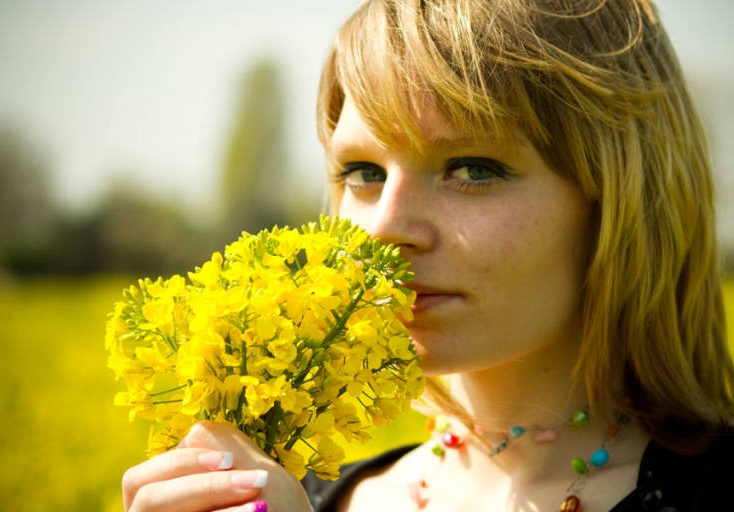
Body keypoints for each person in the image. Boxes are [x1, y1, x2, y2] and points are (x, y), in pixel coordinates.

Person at [121, 0, 734, 511]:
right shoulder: (300, 495)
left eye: (472, 168)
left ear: (619, 199)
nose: (384, 229)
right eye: (363, 172)